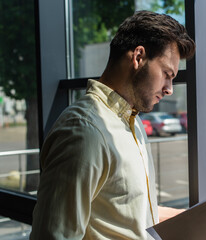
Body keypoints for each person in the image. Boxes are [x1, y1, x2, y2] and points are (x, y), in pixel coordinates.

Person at [30, 10, 195, 240]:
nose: (169, 88)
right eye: (167, 74)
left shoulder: (133, 123)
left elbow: (130, 216)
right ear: (138, 57)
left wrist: (197, 220)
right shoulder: (84, 131)